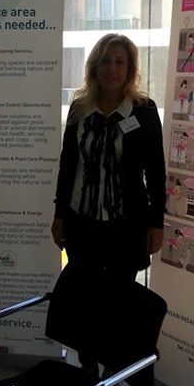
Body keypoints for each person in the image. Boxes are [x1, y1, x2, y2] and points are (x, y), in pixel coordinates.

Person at [51, 33, 166, 283]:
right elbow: (68, 166)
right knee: (84, 293)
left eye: (119, 62)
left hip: (126, 226)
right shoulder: (79, 109)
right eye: (105, 61)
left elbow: (156, 172)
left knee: (118, 297)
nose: (111, 69)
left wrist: (156, 223)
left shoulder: (144, 111)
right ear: (94, 66)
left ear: (129, 69)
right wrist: (59, 214)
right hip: (82, 223)